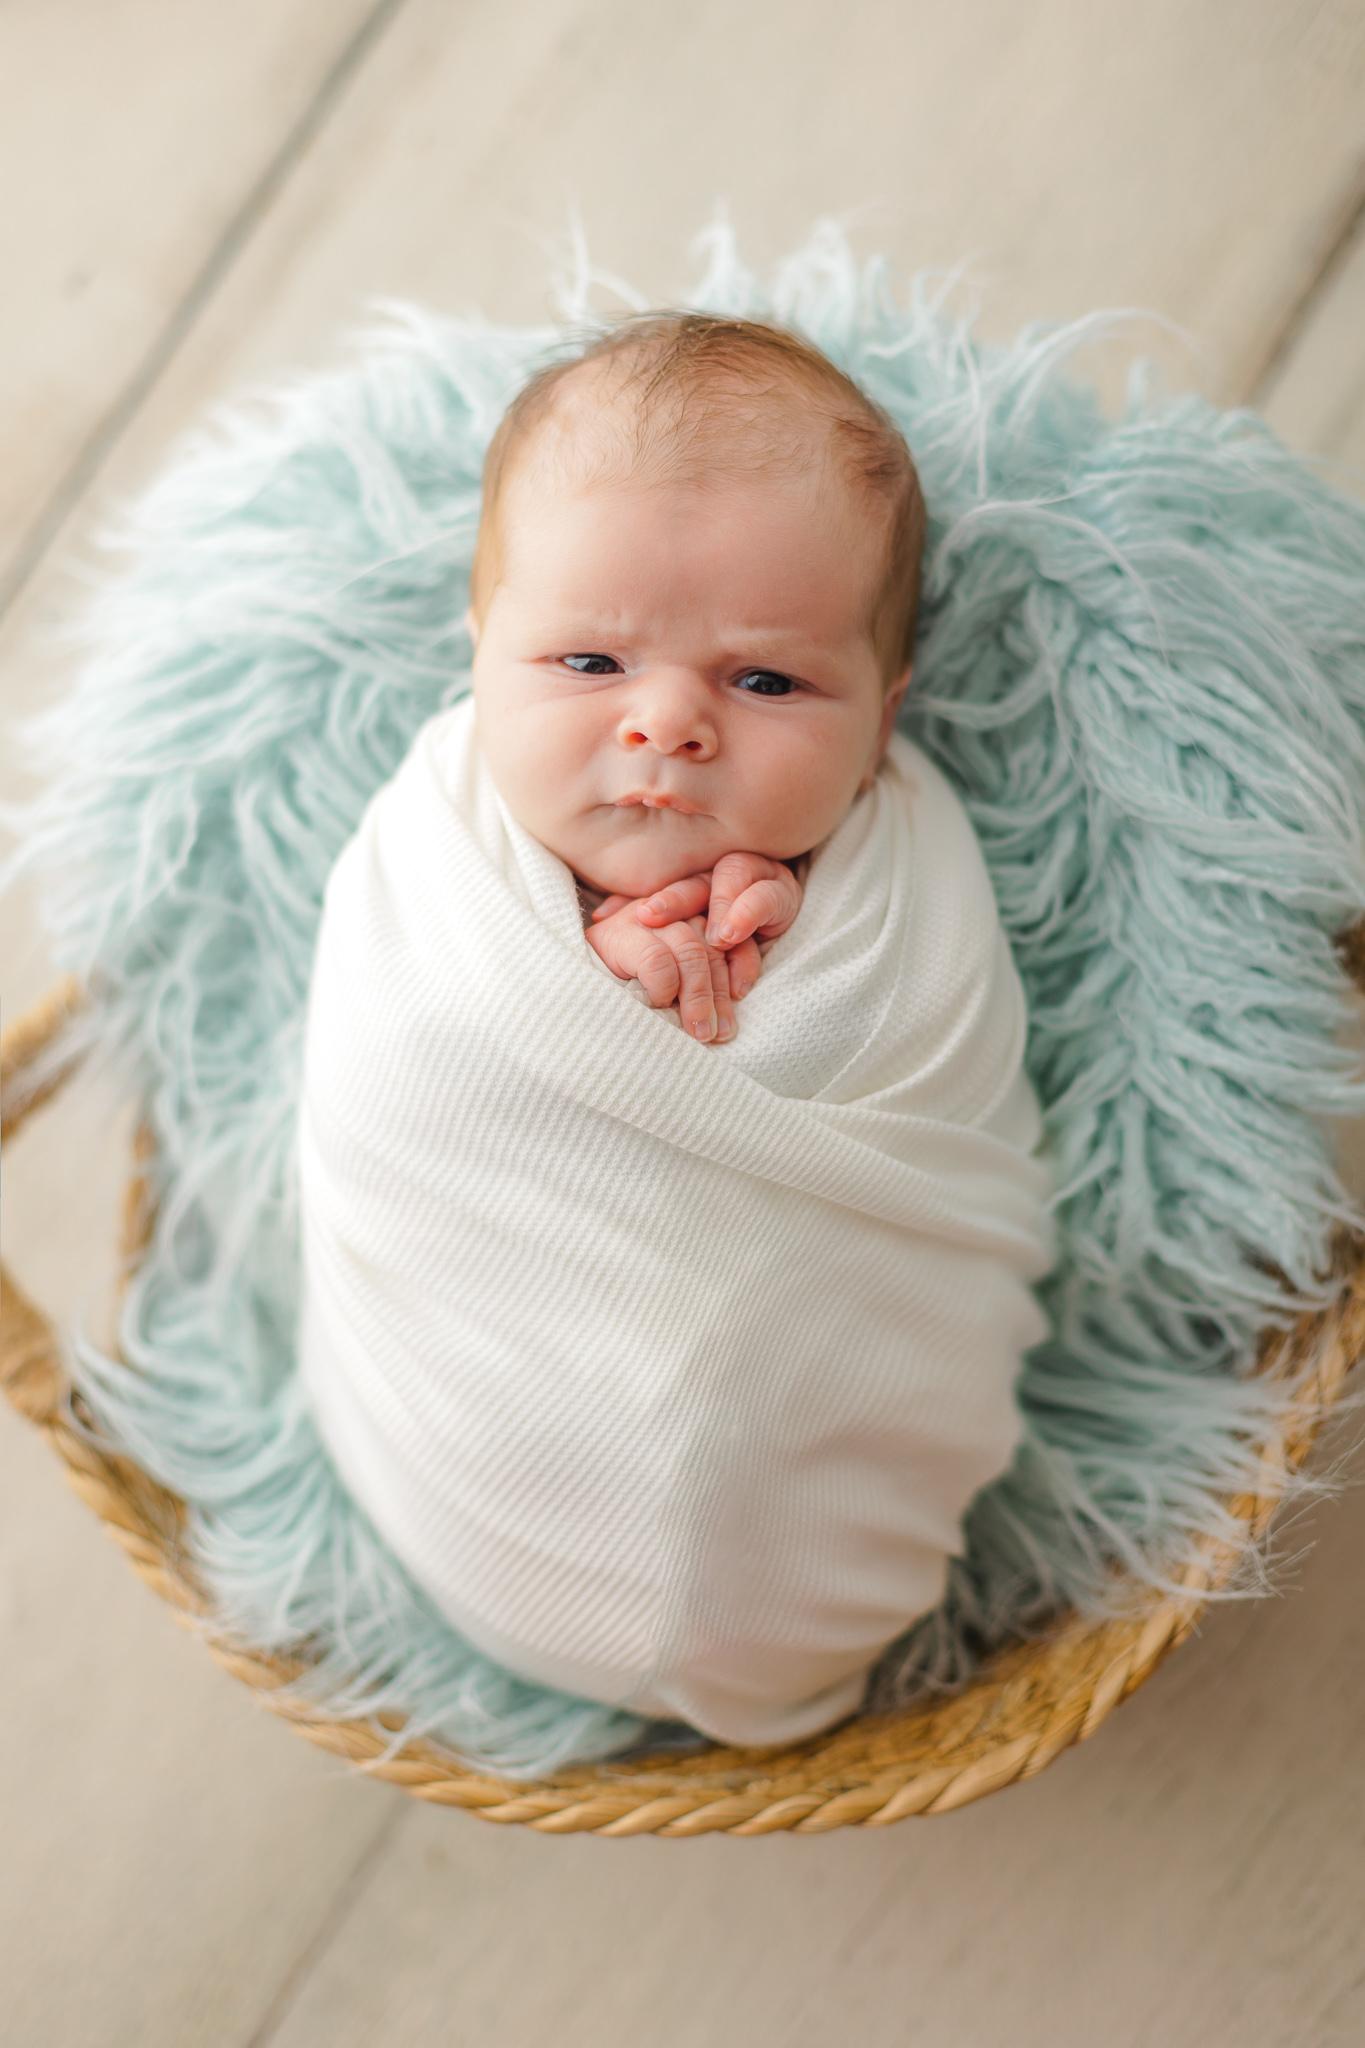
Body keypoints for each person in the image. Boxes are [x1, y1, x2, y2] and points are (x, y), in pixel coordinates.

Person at [296, 316, 1053, 1748]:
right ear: (481, 652)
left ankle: (753, 1604)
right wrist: (581, 972)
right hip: (486, 1431)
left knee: (742, 1405)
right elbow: (412, 1063)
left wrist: (783, 973)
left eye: (765, 683)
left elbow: (912, 1070)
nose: (666, 727)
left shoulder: (895, 881)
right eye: (585, 662)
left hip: (803, 1430)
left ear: (882, 719)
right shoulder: (432, 855)